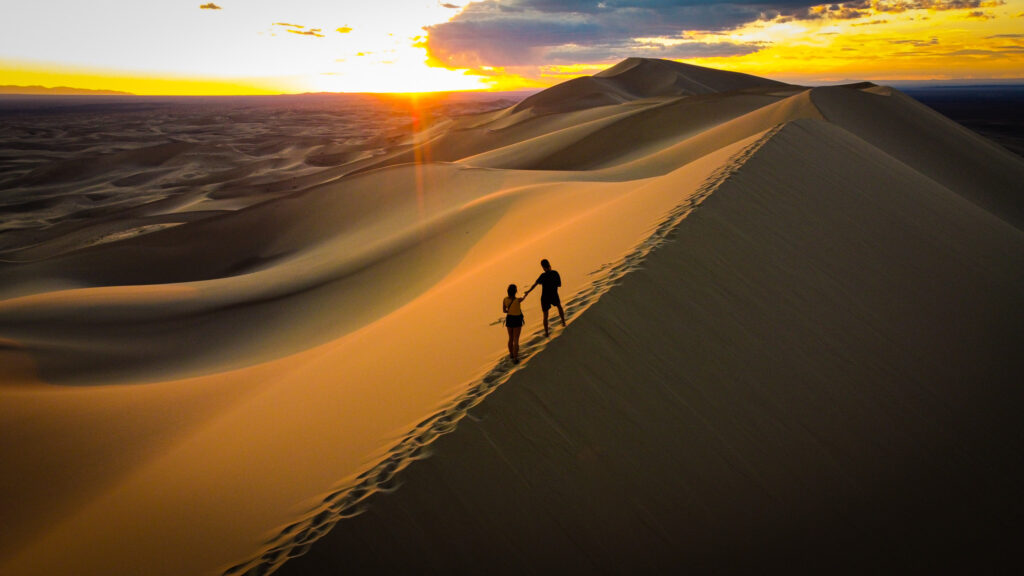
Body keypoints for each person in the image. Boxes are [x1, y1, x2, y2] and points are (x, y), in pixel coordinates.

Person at [525, 258, 565, 337]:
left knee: (545, 316)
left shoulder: (543, 276)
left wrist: (528, 292)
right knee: (559, 307)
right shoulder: (555, 273)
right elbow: (559, 285)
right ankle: (563, 322)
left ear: (543, 267)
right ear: (549, 264)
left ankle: (547, 333)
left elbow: (535, 285)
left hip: (545, 297)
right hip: (554, 294)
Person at [502, 283, 528, 364]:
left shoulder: (505, 299)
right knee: (516, 339)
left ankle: (511, 354)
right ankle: (515, 358)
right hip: (517, 319)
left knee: (510, 338)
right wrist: (525, 293)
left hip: (509, 319)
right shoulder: (517, 300)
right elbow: (523, 297)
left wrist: (510, 311)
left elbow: (504, 311)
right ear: (515, 291)